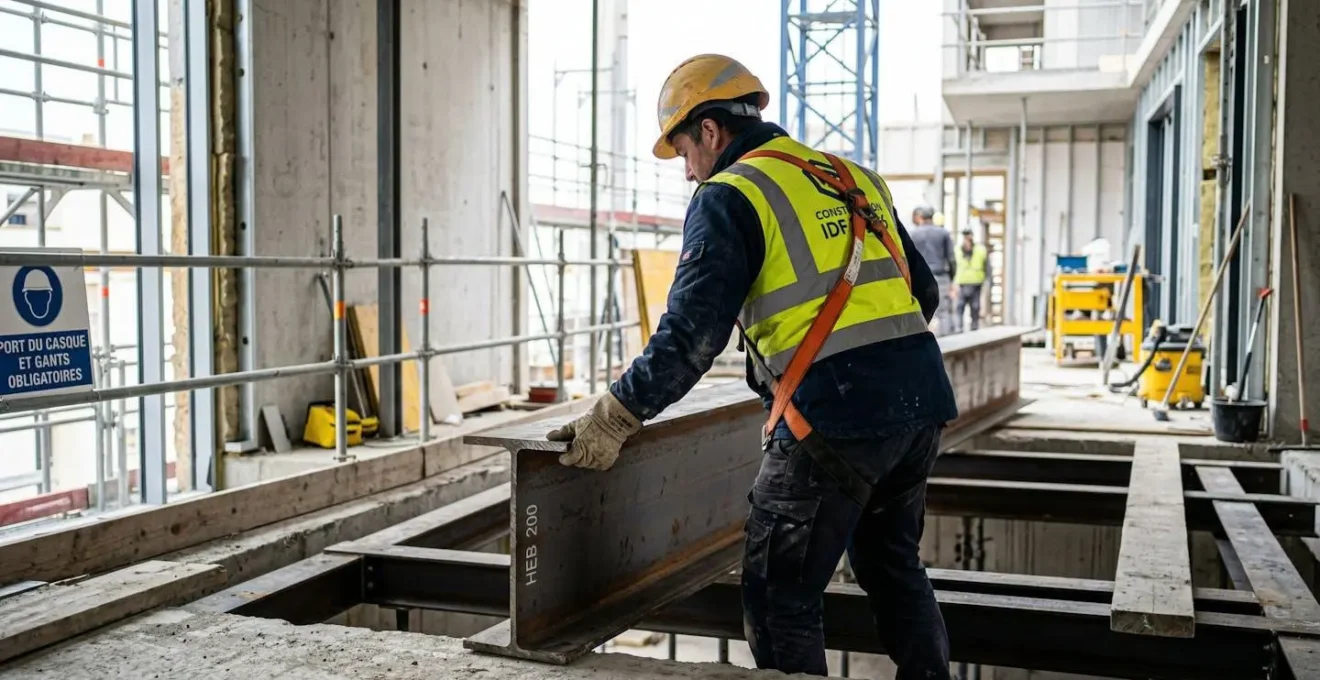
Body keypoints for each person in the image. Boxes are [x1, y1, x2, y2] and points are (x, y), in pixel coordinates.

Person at [546, 54, 957, 679]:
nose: (686, 172)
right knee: (894, 568)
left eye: (684, 151)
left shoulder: (731, 195)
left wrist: (613, 417)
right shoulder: (853, 176)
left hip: (831, 424)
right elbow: (921, 294)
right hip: (921, 402)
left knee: (778, 597)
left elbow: (690, 335)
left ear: (711, 132)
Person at [907, 205, 957, 336]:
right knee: (943, 312)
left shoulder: (913, 233)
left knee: (919, 310)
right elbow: (951, 259)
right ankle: (946, 342)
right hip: (940, 276)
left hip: (919, 276)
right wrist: (952, 278)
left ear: (920, 217)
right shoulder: (943, 233)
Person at [954, 228, 989, 333]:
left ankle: (974, 328)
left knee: (975, 307)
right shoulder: (958, 249)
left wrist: (987, 280)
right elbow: (953, 264)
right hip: (962, 282)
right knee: (960, 307)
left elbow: (986, 265)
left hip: (976, 282)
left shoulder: (980, 249)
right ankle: (959, 328)